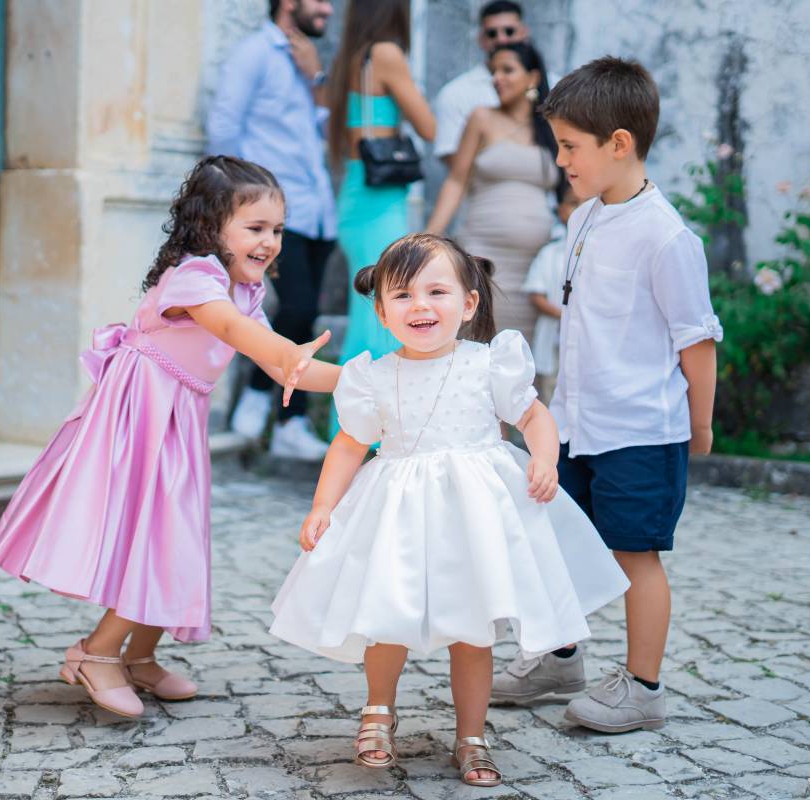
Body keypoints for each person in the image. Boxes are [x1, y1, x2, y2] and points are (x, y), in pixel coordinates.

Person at [0, 157, 340, 718]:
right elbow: (233, 333)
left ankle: (140, 657)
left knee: (175, 536)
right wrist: (285, 352)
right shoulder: (197, 277)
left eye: (276, 229)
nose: (270, 242)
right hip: (138, 420)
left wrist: (364, 383)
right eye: (255, 228)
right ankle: (97, 654)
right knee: (151, 535)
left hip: (178, 421)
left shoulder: (245, 292)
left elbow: (279, 366)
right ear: (210, 227)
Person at [270, 234, 628, 786]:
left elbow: (534, 417)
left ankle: (472, 735)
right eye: (403, 295)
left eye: (437, 292)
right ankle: (377, 714)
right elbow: (349, 444)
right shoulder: (373, 375)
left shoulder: (490, 364)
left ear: (468, 304)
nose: (420, 306)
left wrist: (546, 459)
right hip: (397, 515)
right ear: (382, 311)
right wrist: (323, 506)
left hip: (476, 517)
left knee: (473, 630)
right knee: (386, 616)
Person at [492, 57, 722, 732]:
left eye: (570, 146)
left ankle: (644, 688)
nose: (559, 158)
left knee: (635, 556)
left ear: (619, 144)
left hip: (641, 431)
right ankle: (560, 657)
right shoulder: (584, 217)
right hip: (574, 422)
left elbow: (696, 343)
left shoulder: (667, 237)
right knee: (555, 540)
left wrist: (699, 427)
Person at [207, 0, 337, 461]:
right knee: (297, 306)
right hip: (277, 210)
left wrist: (316, 80)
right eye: (319, 0)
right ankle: (262, 393)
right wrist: (239, 206)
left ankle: (290, 421)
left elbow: (321, 136)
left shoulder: (307, 62)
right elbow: (223, 127)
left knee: (304, 316)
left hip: (317, 207)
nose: (328, 9)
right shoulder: (254, 53)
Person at [325, 0, 436, 438]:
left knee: (371, 310)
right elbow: (428, 126)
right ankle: (364, 435)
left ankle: (351, 433)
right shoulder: (387, 54)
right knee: (386, 312)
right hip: (382, 199)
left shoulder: (350, 58)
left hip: (355, 193)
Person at [427, 41, 560, 348]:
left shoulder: (551, 129)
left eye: (507, 70)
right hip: (484, 252)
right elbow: (456, 181)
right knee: (477, 343)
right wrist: (430, 236)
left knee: (519, 356)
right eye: (494, 71)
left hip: (532, 267)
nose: (497, 77)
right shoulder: (482, 117)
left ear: (533, 78)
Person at [432, 1, 529, 166]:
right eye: (492, 33)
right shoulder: (455, 93)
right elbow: (456, 170)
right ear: (481, 39)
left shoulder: (554, 85)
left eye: (509, 31)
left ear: (524, 33)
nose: (501, 39)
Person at [521, 185, 582, 399]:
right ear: (561, 210)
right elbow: (536, 294)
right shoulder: (550, 253)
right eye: (574, 203)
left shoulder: (606, 252)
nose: (580, 209)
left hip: (588, 342)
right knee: (552, 392)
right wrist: (566, 315)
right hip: (554, 340)